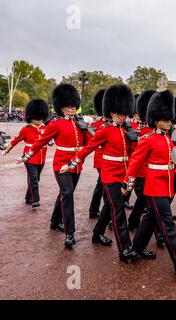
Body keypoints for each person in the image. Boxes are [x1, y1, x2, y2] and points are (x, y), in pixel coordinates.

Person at [61, 85, 139, 262]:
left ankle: (97, 234)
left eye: (125, 114)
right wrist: (71, 164)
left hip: (124, 173)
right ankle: (125, 248)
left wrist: (137, 138)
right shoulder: (104, 131)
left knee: (109, 207)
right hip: (110, 174)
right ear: (112, 113)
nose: (124, 116)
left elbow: (135, 152)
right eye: (121, 114)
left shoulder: (126, 130)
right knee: (118, 210)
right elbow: (88, 148)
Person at [123, 90, 176, 275]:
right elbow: (135, 162)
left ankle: (135, 248)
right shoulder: (148, 140)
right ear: (155, 120)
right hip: (154, 186)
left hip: (166, 185)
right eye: (164, 119)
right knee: (167, 222)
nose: (168, 122)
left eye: (169, 119)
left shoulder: (169, 140)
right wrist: (127, 182)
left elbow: (173, 163)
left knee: (149, 219)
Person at [18, 84, 92, 248]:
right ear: (61, 107)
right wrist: (27, 155)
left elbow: (91, 143)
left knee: (64, 193)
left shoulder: (81, 124)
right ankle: (70, 233)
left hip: (77, 165)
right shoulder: (55, 124)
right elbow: (40, 142)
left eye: (74, 105)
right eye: (68, 105)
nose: (72, 108)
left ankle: (54, 221)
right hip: (61, 164)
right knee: (68, 193)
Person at [3, 99, 49, 209]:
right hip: (29, 157)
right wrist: (7, 150)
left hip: (42, 158)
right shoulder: (26, 129)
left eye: (40, 118)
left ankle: (28, 197)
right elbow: (15, 140)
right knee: (33, 179)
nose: (38, 120)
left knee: (36, 179)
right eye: (35, 118)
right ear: (30, 118)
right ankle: (35, 200)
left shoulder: (46, 128)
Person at [127, 90, 157, 231]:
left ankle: (133, 221)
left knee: (143, 200)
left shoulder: (152, 130)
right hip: (141, 170)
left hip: (151, 170)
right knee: (145, 200)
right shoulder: (140, 130)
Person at [88, 89, 107, 219]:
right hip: (101, 159)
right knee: (104, 185)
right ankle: (107, 214)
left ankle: (93, 210)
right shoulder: (95, 125)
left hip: (111, 160)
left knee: (101, 185)